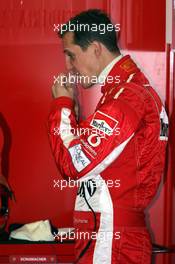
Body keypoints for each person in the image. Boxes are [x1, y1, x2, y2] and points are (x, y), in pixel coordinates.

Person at [48, 9, 168, 264]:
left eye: (71, 55)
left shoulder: (126, 98)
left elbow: (73, 164)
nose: (68, 65)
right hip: (110, 237)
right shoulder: (127, 92)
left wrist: (61, 105)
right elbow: (106, 165)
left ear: (95, 48)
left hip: (109, 240)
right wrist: (74, 120)